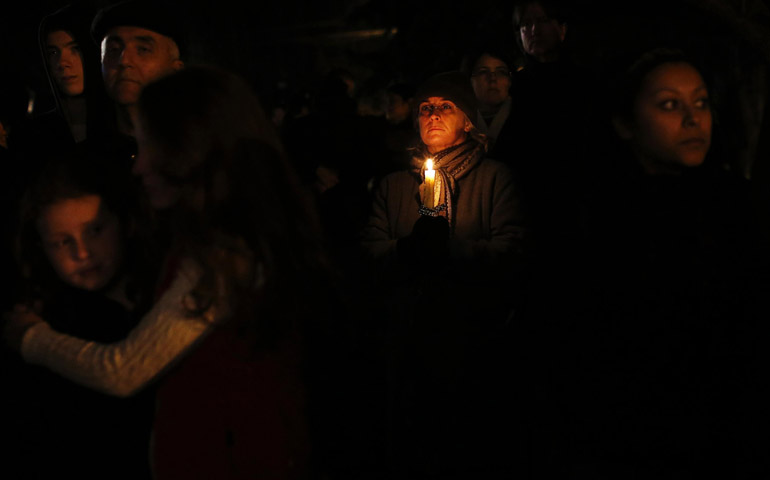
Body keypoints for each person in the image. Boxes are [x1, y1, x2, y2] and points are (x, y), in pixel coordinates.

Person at [5, 66, 338, 479]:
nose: (139, 167)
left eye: (148, 147)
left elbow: (123, 370)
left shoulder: (222, 256)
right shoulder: (221, 238)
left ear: (191, 150)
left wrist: (29, 337)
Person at [563, 48, 763, 477]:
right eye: (670, 105)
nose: (693, 120)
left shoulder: (738, 206)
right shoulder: (601, 223)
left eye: (701, 103)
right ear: (625, 123)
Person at [360, 71, 524, 477]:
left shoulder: (493, 178)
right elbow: (368, 252)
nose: (433, 114)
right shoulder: (395, 186)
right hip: (407, 338)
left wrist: (451, 251)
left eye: (445, 107)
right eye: (424, 109)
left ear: (467, 119)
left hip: (474, 336)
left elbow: (512, 250)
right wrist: (408, 251)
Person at [90, 0, 184, 138]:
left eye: (143, 49)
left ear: (176, 70)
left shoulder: (201, 153)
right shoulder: (82, 158)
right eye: (113, 50)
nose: (124, 61)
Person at [464, 48, 516, 161]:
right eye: (483, 72)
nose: (492, 79)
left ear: (510, 80)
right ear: (470, 79)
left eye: (501, 72)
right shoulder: (459, 121)